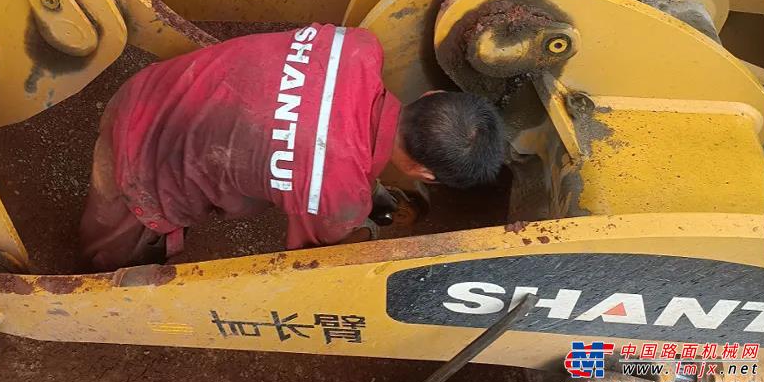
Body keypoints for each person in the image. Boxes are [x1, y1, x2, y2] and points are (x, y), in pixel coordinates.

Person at [80, 24, 506, 271]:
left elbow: (318, 115)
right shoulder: (336, 197)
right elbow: (307, 261)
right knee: (115, 263)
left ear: (430, 97)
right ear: (423, 174)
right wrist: (360, 228)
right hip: (137, 158)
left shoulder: (356, 45)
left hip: (151, 86)